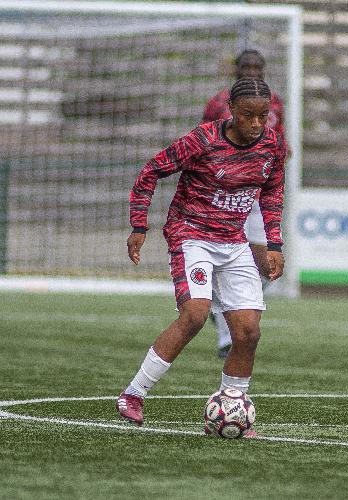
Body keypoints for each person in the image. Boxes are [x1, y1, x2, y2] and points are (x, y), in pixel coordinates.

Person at [116, 77, 286, 436]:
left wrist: (274, 244)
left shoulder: (272, 144)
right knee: (194, 315)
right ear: (232, 112)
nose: (257, 125)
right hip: (191, 234)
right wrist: (138, 226)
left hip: (233, 240)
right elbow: (151, 172)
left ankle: (232, 406)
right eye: (248, 116)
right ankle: (133, 394)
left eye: (263, 117)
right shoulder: (203, 140)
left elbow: (271, 193)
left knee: (248, 332)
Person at [203, 49, 287, 359]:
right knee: (223, 259)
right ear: (236, 69)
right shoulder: (218, 103)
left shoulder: (274, 102)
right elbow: (203, 144)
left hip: (258, 193)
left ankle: (221, 306)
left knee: (268, 267)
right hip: (223, 195)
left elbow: (282, 146)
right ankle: (227, 334)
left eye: (257, 67)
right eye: (245, 66)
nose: (251, 71)